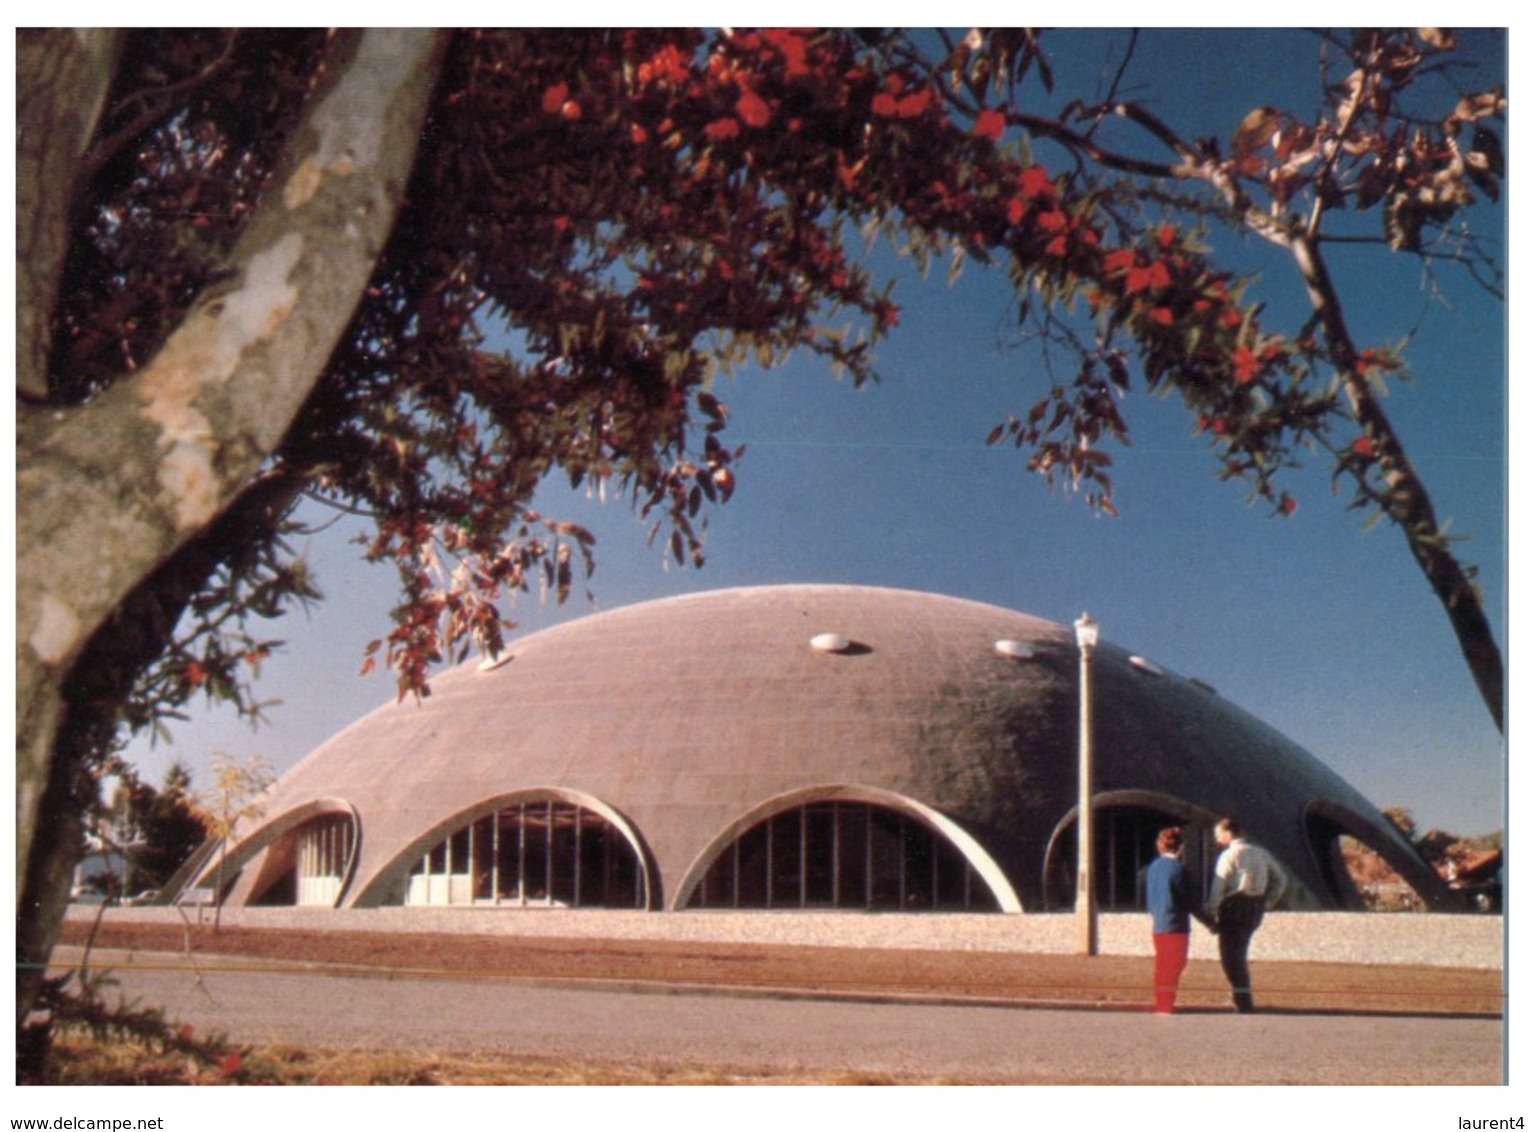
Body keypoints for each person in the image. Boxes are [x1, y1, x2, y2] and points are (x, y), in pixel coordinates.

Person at [1206, 816, 1288, 1014]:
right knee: (1239, 952)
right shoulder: (1262, 853)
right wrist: (1267, 901)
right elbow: (1281, 879)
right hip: (1255, 906)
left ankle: (1243, 1000)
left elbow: (1219, 887)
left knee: (1230, 957)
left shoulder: (1229, 856)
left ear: (1228, 833)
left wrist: (1211, 913)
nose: (1217, 839)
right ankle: (1241, 996)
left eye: (1218, 834)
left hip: (1234, 906)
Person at [1144, 826, 1207, 1015]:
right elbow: (1191, 901)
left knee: (1163, 962)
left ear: (1160, 846)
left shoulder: (1153, 868)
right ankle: (1166, 1003)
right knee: (1176, 963)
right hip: (1177, 925)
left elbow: (1150, 898)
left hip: (1159, 924)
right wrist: (1209, 922)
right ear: (1180, 847)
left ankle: (1162, 1002)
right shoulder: (1180, 870)